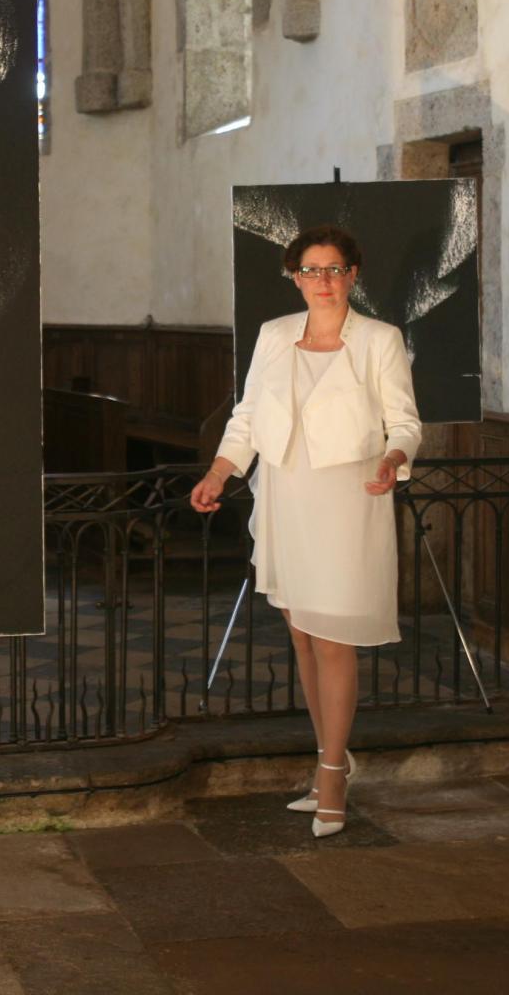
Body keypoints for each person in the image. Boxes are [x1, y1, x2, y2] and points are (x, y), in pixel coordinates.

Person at [189, 224, 421, 838]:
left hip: (349, 497)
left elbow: (405, 422)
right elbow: (247, 415)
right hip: (286, 494)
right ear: (294, 276)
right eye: (311, 270)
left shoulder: (379, 340)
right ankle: (330, 760)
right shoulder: (274, 335)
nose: (323, 280)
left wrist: (395, 460)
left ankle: (331, 778)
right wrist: (220, 471)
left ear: (353, 275)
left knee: (334, 638)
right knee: (303, 639)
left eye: (334, 269)